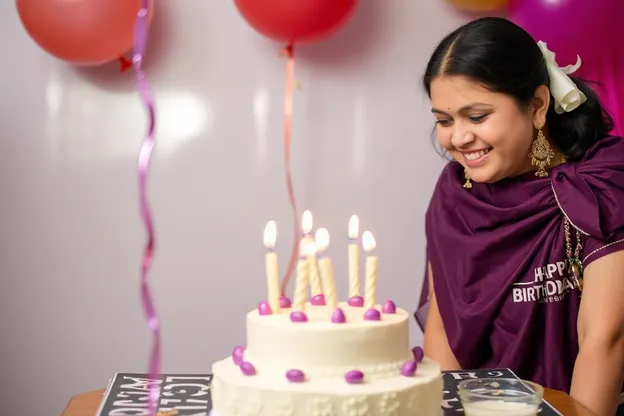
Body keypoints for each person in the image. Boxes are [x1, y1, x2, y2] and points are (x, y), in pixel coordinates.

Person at [416, 17, 624, 416]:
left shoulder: (601, 185)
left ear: (538, 105)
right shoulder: (456, 193)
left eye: (476, 117)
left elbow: (604, 339)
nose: (458, 138)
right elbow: (443, 331)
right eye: (444, 120)